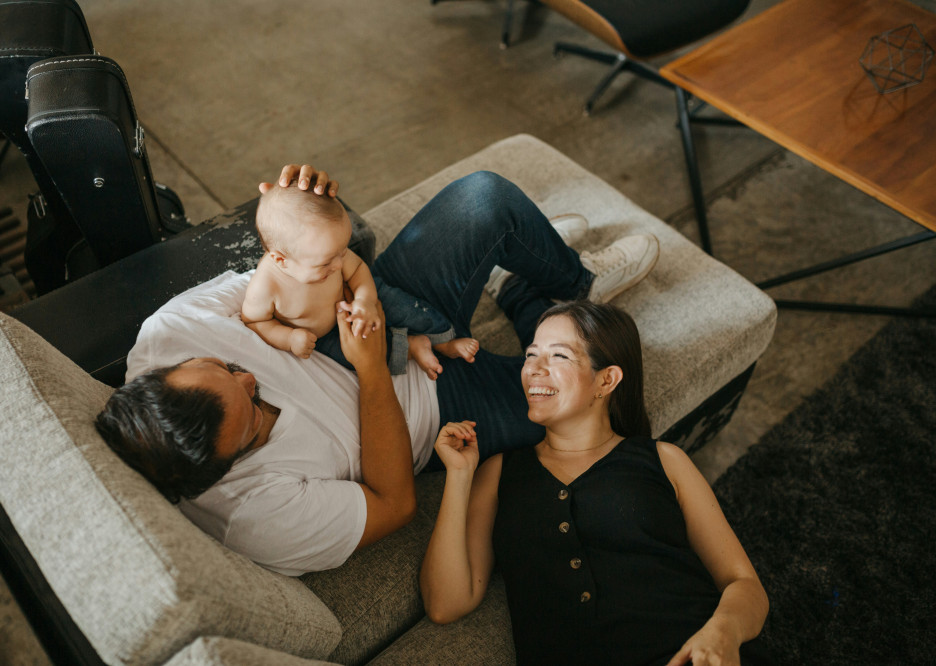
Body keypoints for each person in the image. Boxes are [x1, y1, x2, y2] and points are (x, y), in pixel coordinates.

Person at [94, 164, 661, 576]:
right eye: (256, 414)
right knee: (603, 390)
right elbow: (395, 504)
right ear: (227, 466)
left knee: (486, 197)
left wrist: (298, 215)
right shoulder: (254, 518)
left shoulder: (169, 335)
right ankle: (520, 290)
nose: (251, 379)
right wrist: (371, 370)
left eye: (227, 366)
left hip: (375, 316)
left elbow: (280, 271)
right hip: (435, 410)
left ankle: (574, 282)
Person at [419, 300, 770, 666]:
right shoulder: (498, 473)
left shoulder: (664, 460)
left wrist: (722, 633)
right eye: (531, 355)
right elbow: (444, 604)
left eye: (559, 356)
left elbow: (744, 583)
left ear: (607, 380)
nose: (533, 369)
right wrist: (459, 476)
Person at [243, 182, 479, 379]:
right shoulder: (265, 288)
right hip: (325, 337)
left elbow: (357, 270)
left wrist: (365, 301)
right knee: (352, 359)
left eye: (342, 252)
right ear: (281, 260)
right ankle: (413, 347)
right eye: (326, 263)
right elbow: (256, 322)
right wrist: (289, 338)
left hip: (354, 296)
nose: (338, 265)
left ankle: (443, 340)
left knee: (405, 306)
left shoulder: (326, 254)